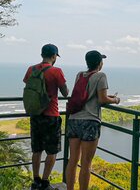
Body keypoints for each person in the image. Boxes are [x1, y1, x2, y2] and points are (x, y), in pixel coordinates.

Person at [65, 50, 120, 190]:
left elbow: (83, 94)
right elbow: (102, 99)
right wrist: (115, 100)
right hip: (90, 121)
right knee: (86, 163)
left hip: (73, 119)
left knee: (73, 160)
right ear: (99, 63)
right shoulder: (101, 76)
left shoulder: (79, 75)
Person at [23, 44, 69, 190]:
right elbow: (65, 93)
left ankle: (35, 181)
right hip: (51, 116)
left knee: (37, 150)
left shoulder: (32, 69)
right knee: (52, 151)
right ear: (54, 56)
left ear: (42, 54)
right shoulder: (56, 71)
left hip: (35, 115)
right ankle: (44, 182)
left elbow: (27, 84)